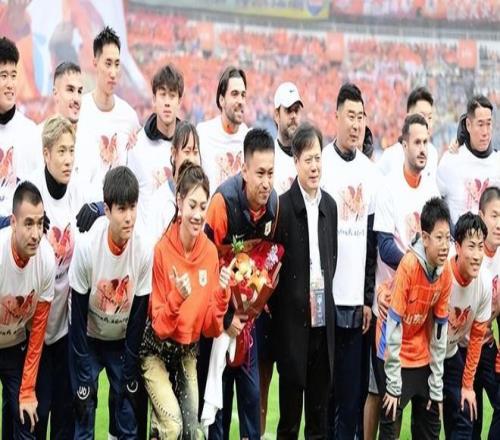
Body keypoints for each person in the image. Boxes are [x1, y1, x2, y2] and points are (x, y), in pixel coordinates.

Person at [139, 162, 231, 439]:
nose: (198, 214)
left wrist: (222, 296)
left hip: (188, 351)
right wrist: (177, 297)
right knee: (172, 427)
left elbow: (211, 329)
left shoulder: (210, 253)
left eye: (203, 206)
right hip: (155, 350)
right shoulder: (162, 250)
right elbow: (159, 327)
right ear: (179, 202)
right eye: (192, 205)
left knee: (193, 433)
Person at [364, 113, 439, 439]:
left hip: (421, 317)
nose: (422, 148)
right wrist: (419, 262)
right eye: (417, 142)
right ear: (404, 145)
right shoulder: (389, 187)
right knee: (386, 405)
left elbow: (441, 242)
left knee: (423, 412)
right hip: (391, 312)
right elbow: (384, 246)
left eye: (426, 142)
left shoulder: (431, 188)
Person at [199, 128, 277, 440]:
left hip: (248, 322)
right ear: (244, 170)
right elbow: (204, 266)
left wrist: (252, 307)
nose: (266, 182)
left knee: (252, 402)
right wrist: (226, 318)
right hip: (218, 320)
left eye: (271, 173)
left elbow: (268, 262)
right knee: (217, 408)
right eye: (260, 173)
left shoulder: (273, 206)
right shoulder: (222, 203)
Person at [68, 166, 152, 439]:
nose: (129, 217)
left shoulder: (143, 248)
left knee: (127, 417)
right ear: (106, 210)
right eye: (121, 209)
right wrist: (83, 374)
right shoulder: (87, 247)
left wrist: (129, 368)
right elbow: (77, 315)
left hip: (122, 342)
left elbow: (138, 315)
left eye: (133, 207)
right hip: (88, 340)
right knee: (83, 412)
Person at [270, 122, 337, 439]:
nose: (314, 166)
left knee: (318, 420)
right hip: (292, 328)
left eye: (317, 158)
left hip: (323, 324)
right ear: (295, 161)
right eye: (307, 159)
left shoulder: (330, 206)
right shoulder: (283, 206)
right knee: (289, 421)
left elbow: (331, 258)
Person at [321, 83, 379, 439]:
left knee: (351, 398)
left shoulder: (370, 173)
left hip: (357, 306)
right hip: (326, 301)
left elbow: (371, 242)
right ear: (337, 117)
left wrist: (369, 299)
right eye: (350, 116)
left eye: (361, 117)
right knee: (324, 397)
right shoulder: (322, 164)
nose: (356, 125)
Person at [29, 116, 88, 439]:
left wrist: (96, 209)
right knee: (35, 417)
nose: (68, 159)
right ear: (46, 154)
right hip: (33, 328)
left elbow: (105, 205)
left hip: (64, 327)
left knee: (66, 418)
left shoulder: (77, 190)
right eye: (61, 151)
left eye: (71, 150)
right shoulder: (32, 195)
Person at [376, 197, 452, 439]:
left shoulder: (446, 273)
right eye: (439, 238)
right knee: (390, 417)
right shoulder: (409, 265)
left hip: (421, 352)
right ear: (425, 238)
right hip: (393, 350)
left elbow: (440, 332)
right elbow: (393, 325)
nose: (445, 246)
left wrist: (437, 386)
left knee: (431, 419)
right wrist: (393, 384)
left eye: (448, 238)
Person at [256, 80, 303, 435]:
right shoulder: (266, 156)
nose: (294, 117)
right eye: (288, 111)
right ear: (276, 114)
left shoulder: (307, 158)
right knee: (260, 381)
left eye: (297, 110)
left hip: (293, 293)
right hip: (263, 289)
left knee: (293, 381)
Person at [0, 182, 55, 439]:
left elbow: (38, 330)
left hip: (15, 348)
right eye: (28, 224)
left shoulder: (47, 260)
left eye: (40, 223)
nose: (36, 234)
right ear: (13, 222)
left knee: (27, 418)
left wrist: (27, 391)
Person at [74, 26, 140, 201]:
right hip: (84, 209)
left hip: (117, 209)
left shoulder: (129, 116)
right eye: (108, 63)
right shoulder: (79, 111)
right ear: (95, 63)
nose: (113, 72)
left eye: (117, 64)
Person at [443, 212, 491, 439]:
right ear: (458, 247)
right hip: (425, 355)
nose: (477, 255)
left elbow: (476, 338)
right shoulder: (442, 273)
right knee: (427, 421)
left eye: (481, 247)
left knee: (465, 414)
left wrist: (468, 386)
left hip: (451, 353)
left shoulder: (484, 283)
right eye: (471, 246)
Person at [128, 63, 184, 236]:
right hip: (146, 245)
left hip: (178, 245)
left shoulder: (188, 148)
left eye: (172, 96)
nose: (167, 102)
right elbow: (128, 199)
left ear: (179, 101)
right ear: (154, 99)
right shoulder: (137, 146)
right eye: (162, 94)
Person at [437, 95, 500, 225]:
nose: (485, 132)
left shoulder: (497, 162)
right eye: (480, 124)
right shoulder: (451, 161)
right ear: (468, 125)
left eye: (488, 124)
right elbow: (434, 208)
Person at [0, 37, 43, 217]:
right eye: (3, 76)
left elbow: (37, 193)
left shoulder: (30, 132)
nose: (10, 84)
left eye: (13, 75)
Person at [473, 186, 500, 439]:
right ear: (481, 216)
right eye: (494, 215)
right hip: (465, 350)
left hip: (488, 347)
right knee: (471, 422)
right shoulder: (471, 255)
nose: (499, 224)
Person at [197, 66, 249, 193]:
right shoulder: (203, 133)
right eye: (235, 94)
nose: (240, 101)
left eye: (243, 95)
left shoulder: (247, 137)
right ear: (221, 100)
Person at [148, 121, 201, 243]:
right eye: (187, 152)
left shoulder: (203, 198)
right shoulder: (159, 200)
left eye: (195, 152)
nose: (192, 159)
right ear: (173, 152)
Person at [377, 87, 438, 180]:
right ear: (408, 118)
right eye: (421, 117)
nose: (427, 123)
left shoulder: (433, 153)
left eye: (429, 118)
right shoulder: (391, 156)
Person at [50, 61, 83, 127]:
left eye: (79, 91)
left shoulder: (90, 132)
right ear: (55, 93)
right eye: (70, 90)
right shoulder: (41, 132)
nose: (76, 98)